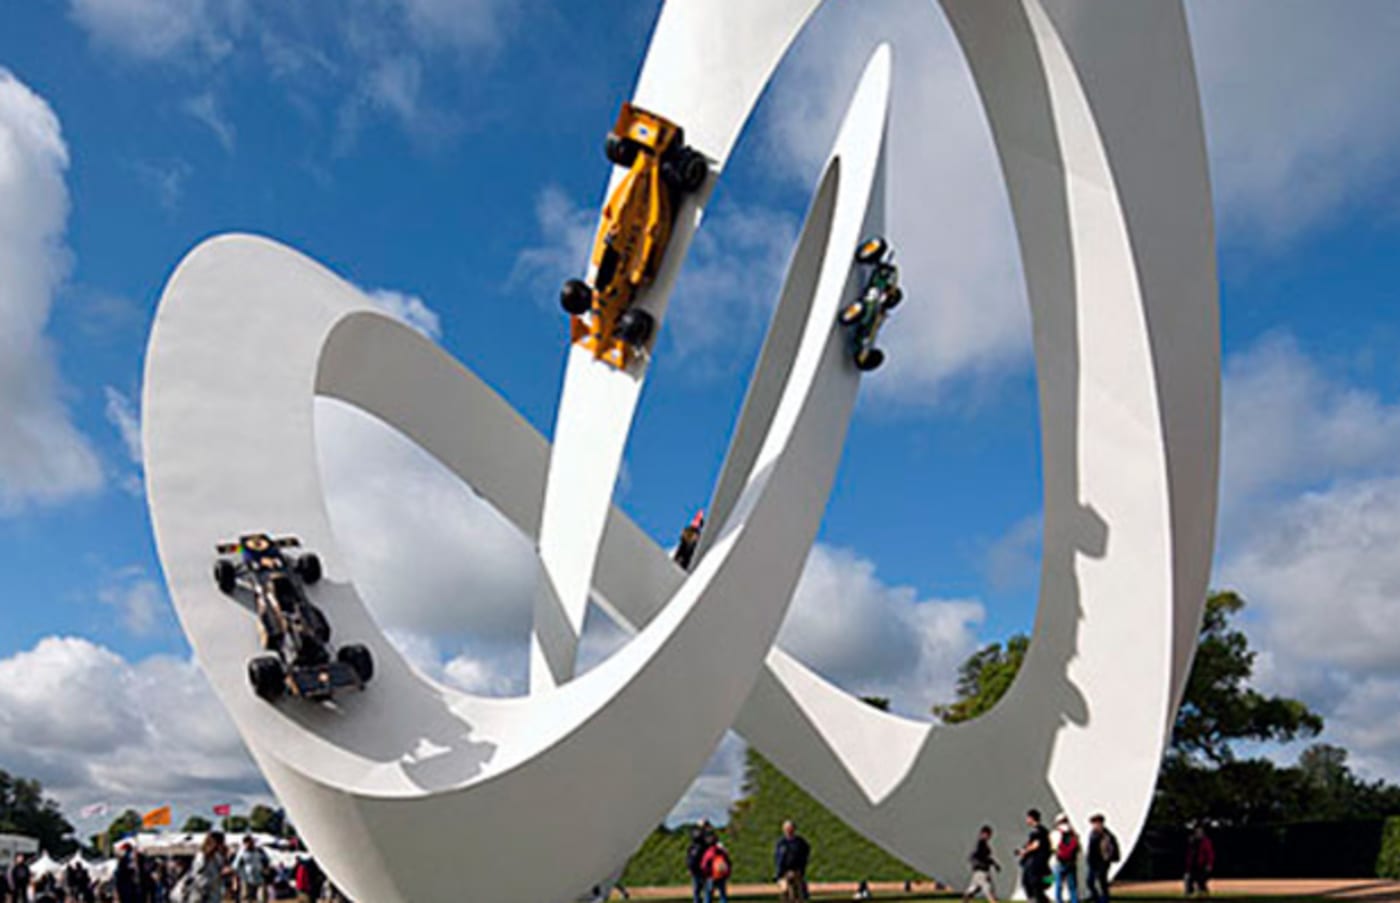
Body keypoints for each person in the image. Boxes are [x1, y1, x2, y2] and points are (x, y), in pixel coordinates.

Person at [174, 833, 229, 903]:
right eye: (221, 843)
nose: (223, 845)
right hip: (200, 895)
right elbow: (198, 874)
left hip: (213, 895)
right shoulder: (201, 856)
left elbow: (221, 871)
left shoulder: (217, 857)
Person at [1016, 810, 1051, 903]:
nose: (1027, 820)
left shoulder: (1039, 830)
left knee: (1032, 883)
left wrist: (1024, 851)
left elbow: (1036, 845)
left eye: (1028, 818)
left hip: (1036, 862)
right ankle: (1040, 899)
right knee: (1032, 883)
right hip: (1038, 862)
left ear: (1032, 818)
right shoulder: (1041, 831)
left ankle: (1036, 900)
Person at [774, 820, 811, 903]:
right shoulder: (781, 843)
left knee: (798, 895)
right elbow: (778, 858)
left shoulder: (800, 842)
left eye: (789, 828)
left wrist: (800, 869)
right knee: (785, 892)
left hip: (796, 872)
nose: (788, 830)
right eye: (786, 828)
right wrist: (779, 874)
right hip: (784, 872)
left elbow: (805, 855)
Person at [1085, 814, 1119, 903]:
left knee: (1102, 882)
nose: (1095, 825)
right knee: (1090, 882)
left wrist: (1108, 859)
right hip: (1093, 862)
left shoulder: (1106, 835)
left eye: (1096, 823)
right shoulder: (1093, 834)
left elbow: (1110, 849)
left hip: (1102, 863)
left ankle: (1104, 900)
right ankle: (1098, 899)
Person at [963, 825, 1000, 902]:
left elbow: (976, 856)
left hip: (978, 872)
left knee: (976, 888)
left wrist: (994, 864)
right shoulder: (981, 844)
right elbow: (982, 857)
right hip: (982, 871)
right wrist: (993, 863)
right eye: (989, 834)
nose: (990, 836)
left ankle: (967, 895)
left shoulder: (982, 844)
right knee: (989, 891)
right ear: (984, 834)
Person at [1052, 815, 1080, 903]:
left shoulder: (1056, 833)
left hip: (1059, 862)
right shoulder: (1073, 834)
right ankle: (1074, 901)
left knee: (1058, 885)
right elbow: (1078, 848)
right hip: (1071, 863)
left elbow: (1053, 847)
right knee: (1072, 886)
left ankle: (1059, 901)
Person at [685, 821, 714, 903]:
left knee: (706, 889)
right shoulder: (696, 843)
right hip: (697, 868)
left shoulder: (706, 838)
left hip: (705, 867)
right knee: (698, 889)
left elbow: (711, 840)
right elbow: (695, 836)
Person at [233, 838, 269, 903]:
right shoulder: (241, 853)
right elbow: (235, 866)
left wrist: (266, 869)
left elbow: (266, 860)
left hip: (259, 878)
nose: (249, 844)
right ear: (244, 844)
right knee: (246, 898)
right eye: (247, 843)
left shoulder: (259, 851)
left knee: (263, 898)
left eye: (251, 842)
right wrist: (235, 879)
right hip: (246, 879)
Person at [1184, 825, 1214, 897]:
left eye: (1200, 832)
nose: (1198, 834)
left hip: (1202, 865)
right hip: (1193, 866)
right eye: (1197, 832)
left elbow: (1210, 854)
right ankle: (1189, 892)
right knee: (1188, 878)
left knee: (1200, 881)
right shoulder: (1192, 842)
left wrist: (1209, 864)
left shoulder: (1206, 842)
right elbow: (1189, 854)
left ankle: (1203, 892)